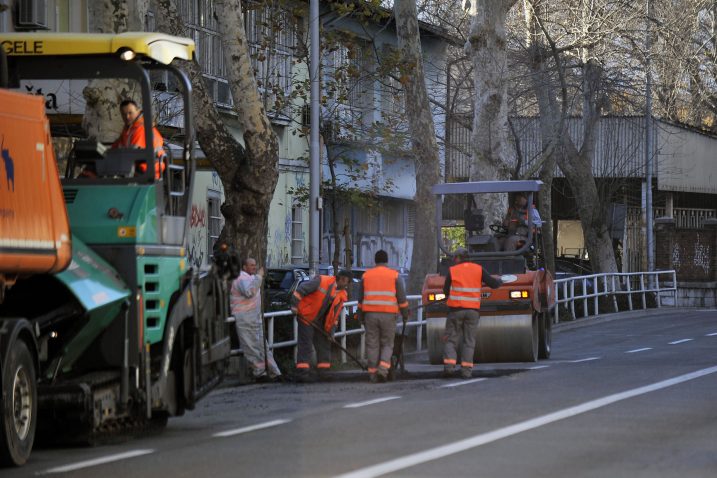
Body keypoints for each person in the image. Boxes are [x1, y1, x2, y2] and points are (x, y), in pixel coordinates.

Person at [443, 247, 503, 379]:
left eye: (454, 258)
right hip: (472, 311)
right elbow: (493, 284)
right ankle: (466, 371)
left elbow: (445, 291)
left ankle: (449, 367)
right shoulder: (478, 269)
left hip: (456, 311)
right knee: (469, 341)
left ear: (458, 258)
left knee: (451, 339)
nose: (453, 260)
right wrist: (500, 281)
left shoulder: (452, 271)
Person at [290, 270, 353, 382]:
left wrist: (331, 333)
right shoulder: (322, 281)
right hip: (307, 315)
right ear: (342, 279)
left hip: (321, 321)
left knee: (324, 344)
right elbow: (301, 290)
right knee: (306, 345)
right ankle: (302, 372)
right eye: (347, 282)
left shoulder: (342, 295)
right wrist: (294, 306)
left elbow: (335, 317)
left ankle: (324, 371)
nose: (347, 286)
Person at [357, 250, 409, 383]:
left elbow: (360, 299)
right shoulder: (394, 275)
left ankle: (373, 375)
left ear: (375, 261)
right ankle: (383, 370)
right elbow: (401, 299)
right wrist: (405, 314)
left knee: (372, 344)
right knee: (387, 344)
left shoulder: (366, 276)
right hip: (388, 314)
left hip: (370, 315)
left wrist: (360, 316)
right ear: (387, 261)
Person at [230, 257, 282, 382]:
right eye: (251, 265)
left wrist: (257, 277)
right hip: (245, 318)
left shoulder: (249, 278)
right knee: (252, 347)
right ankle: (261, 372)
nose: (254, 267)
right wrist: (259, 277)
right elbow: (250, 292)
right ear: (244, 267)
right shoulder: (241, 278)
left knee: (262, 346)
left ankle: (273, 371)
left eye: (255, 265)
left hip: (252, 318)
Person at [112, 99, 166, 178]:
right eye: (124, 114)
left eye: (130, 113)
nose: (127, 117)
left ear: (138, 111)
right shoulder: (128, 129)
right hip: (138, 166)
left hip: (148, 169)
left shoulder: (141, 128)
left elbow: (131, 153)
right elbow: (117, 146)